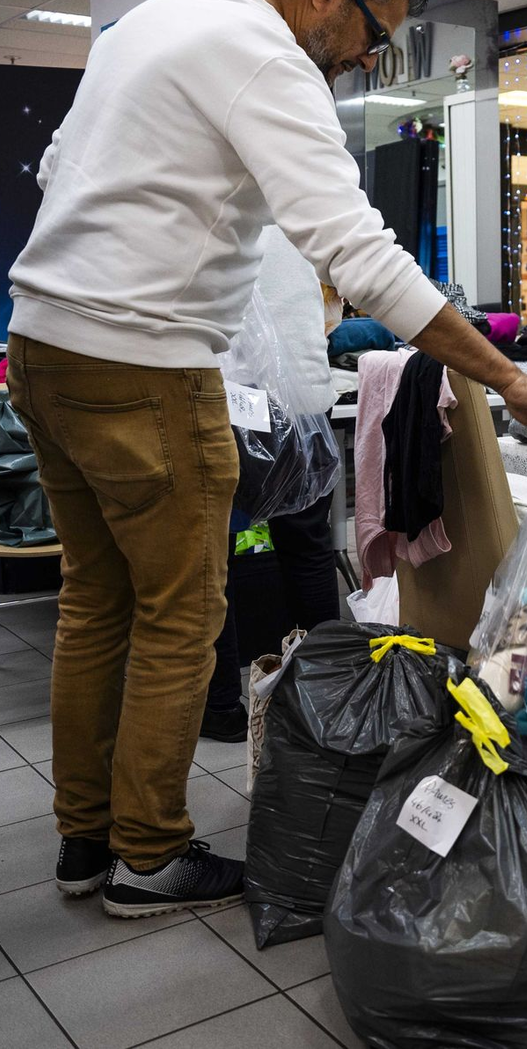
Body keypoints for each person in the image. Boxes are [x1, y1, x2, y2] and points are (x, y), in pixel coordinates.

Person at [5, 0, 527, 920]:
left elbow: (61, 167)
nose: (367, 59)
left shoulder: (157, 20)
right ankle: (148, 852)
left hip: (43, 348)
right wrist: (510, 377)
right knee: (185, 615)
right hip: (144, 364)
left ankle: (85, 840)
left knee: (97, 601)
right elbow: (358, 255)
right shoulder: (271, 62)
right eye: (371, 33)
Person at [200, 225, 341, 743]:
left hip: (226, 404)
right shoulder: (301, 210)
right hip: (303, 400)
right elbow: (330, 316)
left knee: (214, 561)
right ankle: (326, 688)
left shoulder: (206, 203)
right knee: (308, 550)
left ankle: (221, 707)